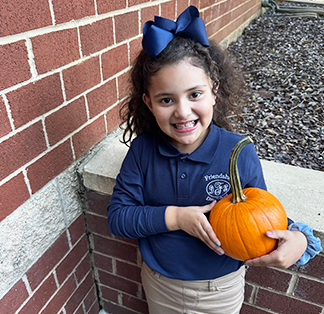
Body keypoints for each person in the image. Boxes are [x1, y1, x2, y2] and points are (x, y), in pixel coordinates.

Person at [108, 6, 322, 314]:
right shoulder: (142, 151)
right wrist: (176, 217)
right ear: (148, 103)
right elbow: (118, 218)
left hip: (219, 290)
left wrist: (300, 239)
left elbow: (260, 215)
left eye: (194, 94)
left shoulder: (237, 153)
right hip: (158, 283)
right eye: (166, 99)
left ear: (214, 92)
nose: (182, 111)